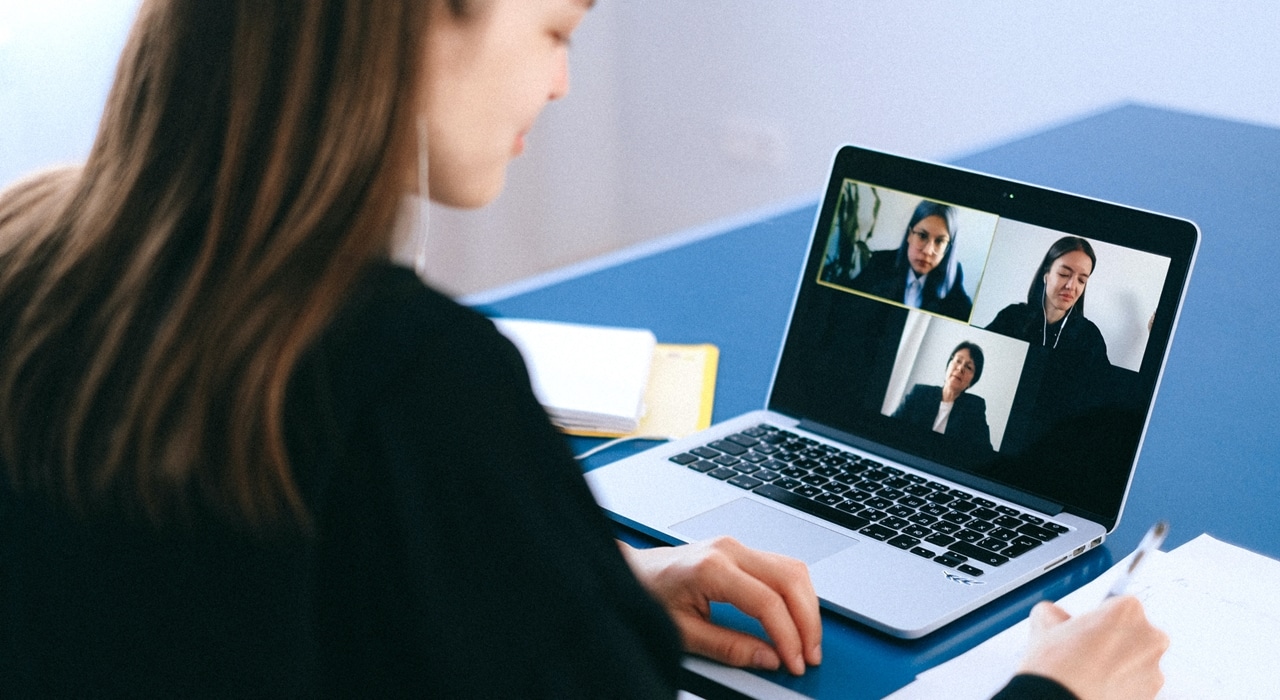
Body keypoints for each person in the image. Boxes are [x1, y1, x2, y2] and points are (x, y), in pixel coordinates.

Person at [0, 1, 1166, 697]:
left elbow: (236, 598)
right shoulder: (415, 381)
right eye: (555, 27)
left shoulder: (28, 250)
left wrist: (581, 583)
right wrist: (1048, 691)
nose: (561, 81)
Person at [985, 236, 1108, 364]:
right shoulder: (1011, 318)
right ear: (1046, 274)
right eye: (1064, 274)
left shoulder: (1089, 337)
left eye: (1081, 280)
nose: (1071, 286)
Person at [851, 199, 973, 321]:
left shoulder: (953, 275)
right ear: (909, 235)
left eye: (939, 241)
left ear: (948, 248)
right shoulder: (881, 262)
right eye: (922, 236)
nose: (928, 251)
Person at [894, 341, 992, 451]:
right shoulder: (920, 393)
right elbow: (892, 427)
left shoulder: (974, 408)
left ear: (971, 382)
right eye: (958, 361)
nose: (960, 368)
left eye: (968, 367)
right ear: (947, 366)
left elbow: (984, 451)